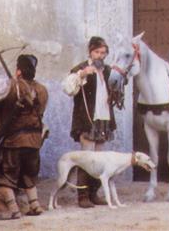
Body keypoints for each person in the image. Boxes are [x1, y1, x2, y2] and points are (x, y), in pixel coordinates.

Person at [0, 54, 48, 220]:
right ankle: (35, 205)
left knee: (4, 177)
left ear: (18, 71)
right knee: (29, 175)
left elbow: (0, 106)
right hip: (35, 140)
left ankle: (13, 210)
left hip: (15, 141)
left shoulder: (12, 87)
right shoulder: (42, 90)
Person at [62, 36, 116, 208]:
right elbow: (68, 89)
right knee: (87, 158)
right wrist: (82, 74)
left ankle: (94, 193)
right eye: (97, 52)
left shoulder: (108, 70)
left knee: (99, 160)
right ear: (90, 52)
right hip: (86, 119)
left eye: (103, 53)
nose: (100, 56)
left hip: (104, 118)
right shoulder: (80, 68)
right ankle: (82, 196)